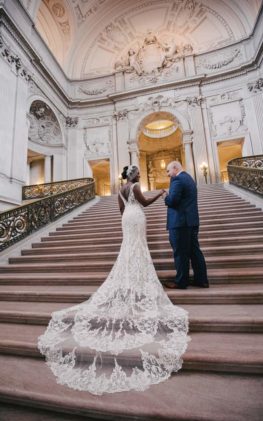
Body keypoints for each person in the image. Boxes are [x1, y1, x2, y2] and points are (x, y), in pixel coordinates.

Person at [38, 164, 190, 395]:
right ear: (135, 175)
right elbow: (145, 203)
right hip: (137, 216)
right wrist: (159, 194)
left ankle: (131, 278)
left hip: (127, 219)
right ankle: (138, 280)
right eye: (138, 172)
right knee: (138, 249)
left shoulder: (120, 188)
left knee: (129, 249)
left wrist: (128, 216)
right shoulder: (137, 186)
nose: (139, 174)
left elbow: (120, 209)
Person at [163, 161, 209, 289]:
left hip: (180, 223)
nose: (168, 174)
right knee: (195, 251)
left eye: (168, 171)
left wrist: (165, 197)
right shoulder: (189, 178)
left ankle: (181, 282)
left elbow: (172, 201)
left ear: (175, 168)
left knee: (180, 253)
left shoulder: (177, 179)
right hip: (192, 221)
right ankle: (202, 280)